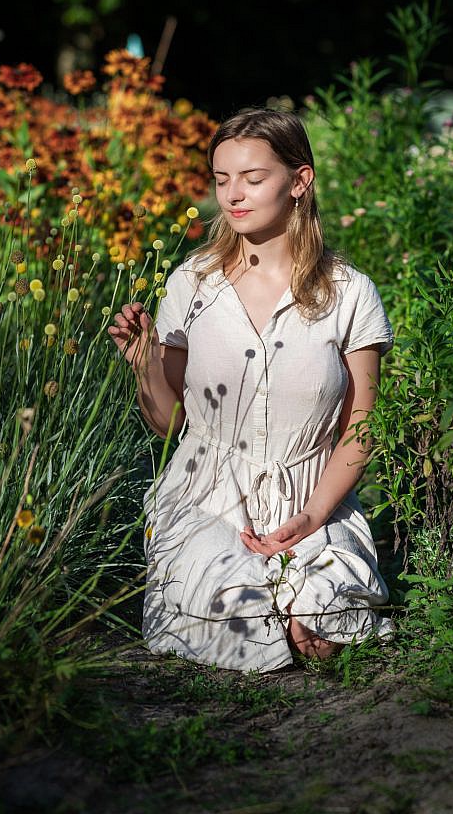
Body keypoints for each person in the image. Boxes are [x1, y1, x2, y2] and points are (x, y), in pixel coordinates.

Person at [108, 107, 393, 672]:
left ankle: (302, 605)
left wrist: (312, 519)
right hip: (206, 499)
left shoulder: (350, 292)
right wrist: (143, 363)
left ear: (300, 181)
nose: (232, 195)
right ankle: (258, 604)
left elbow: (361, 427)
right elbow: (170, 426)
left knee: (327, 620)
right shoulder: (192, 284)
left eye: (252, 178)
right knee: (239, 610)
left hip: (314, 498)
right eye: (221, 180)